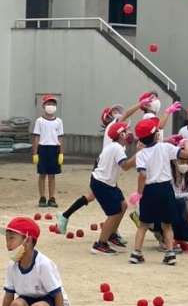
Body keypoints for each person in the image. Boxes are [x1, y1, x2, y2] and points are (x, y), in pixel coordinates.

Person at [56, 101, 141, 240]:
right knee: (110, 203)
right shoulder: (113, 126)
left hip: (106, 165)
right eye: (114, 112)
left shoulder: (116, 133)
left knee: (94, 197)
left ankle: (66, 216)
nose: (118, 113)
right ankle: (109, 232)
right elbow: (126, 114)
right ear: (109, 117)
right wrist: (140, 104)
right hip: (104, 167)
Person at [129, 117, 188, 266]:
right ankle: (170, 254)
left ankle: (136, 253)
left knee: (143, 225)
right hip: (165, 189)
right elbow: (186, 155)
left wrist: (139, 193)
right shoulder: (165, 147)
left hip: (149, 190)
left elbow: (142, 175)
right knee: (167, 225)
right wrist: (186, 143)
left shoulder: (141, 154)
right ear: (156, 135)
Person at [0, 217, 68, 306]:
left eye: (12, 238)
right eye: (6, 239)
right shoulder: (12, 265)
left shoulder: (43, 264)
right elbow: (8, 297)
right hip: (28, 300)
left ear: (28, 240)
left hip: (50, 302)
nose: (8, 244)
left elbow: (58, 295)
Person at [90, 122, 137, 255]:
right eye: (126, 131)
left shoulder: (116, 146)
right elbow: (125, 166)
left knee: (123, 205)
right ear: (121, 135)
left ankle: (111, 234)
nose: (129, 133)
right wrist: (140, 154)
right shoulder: (117, 148)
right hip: (102, 183)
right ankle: (100, 244)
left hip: (108, 183)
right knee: (114, 213)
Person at [32, 95, 64, 208]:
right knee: (42, 174)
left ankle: (52, 198)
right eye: (48, 104)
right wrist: (35, 153)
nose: (51, 106)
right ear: (43, 106)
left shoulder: (59, 121)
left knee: (52, 175)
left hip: (54, 149)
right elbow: (36, 137)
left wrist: (61, 153)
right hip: (43, 149)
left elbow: (60, 137)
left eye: (53, 104)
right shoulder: (39, 121)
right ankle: (42, 197)